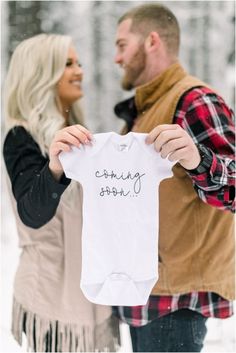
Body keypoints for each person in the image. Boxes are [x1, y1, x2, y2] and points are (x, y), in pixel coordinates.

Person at [113, 3, 235, 352]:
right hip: (147, 295)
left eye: (122, 45)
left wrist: (199, 160)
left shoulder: (195, 100)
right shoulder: (146, 110)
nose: (116, 58)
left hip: (177, 301)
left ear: (152, 41)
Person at [3, 33, 120, 352]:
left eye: (79, 62)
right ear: (42, 72)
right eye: (68, 63)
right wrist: (55, 167)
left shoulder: (78, 134)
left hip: (89, 293)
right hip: (51, 299)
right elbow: (33, 213)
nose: (80, 70)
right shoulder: (20, 136)